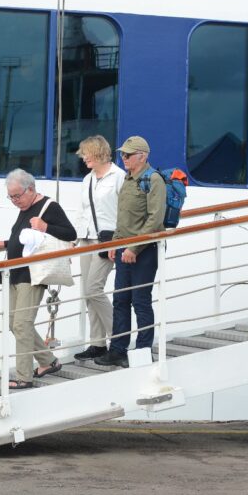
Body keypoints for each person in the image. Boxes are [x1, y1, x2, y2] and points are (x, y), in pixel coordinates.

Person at [0, 170, 74, 389]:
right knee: (14, 324)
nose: (14, 201)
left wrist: (46, 226)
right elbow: (26, 239)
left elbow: (70, 234)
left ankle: (24, 377)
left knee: (22, 325)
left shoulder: (49, 207)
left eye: (17, 196)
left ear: (31, 189)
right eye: (11, 197)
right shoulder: (25, 207)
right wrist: (5, 244)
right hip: (15, 271)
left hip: (32, 274)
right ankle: (48, 361)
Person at [95, 136, 166, 369]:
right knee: (120, 300)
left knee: (140, 301)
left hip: (143, 251)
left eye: (128, 155)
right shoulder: (128, 179)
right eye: (122, 155)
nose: (123, 158)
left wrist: (134, 248)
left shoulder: (153, 179)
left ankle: (144, 351)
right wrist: (116, 244)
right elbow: (123, 217)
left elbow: (156, 219)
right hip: (125, 248)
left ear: (142, 156)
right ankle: (118, 350)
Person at [73, 135, 126, 361]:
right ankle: (97, 343)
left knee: (94, 288)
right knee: (87, 292)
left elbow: (125, 212)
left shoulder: (119, 177)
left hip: (107, 240)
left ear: (99, 153)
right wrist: (75, 238)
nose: (83, 157)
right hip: (86, 239)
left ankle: (119, 338)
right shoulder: (88, 179)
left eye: (86, 153)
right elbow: (83, 210)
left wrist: (119, 240)